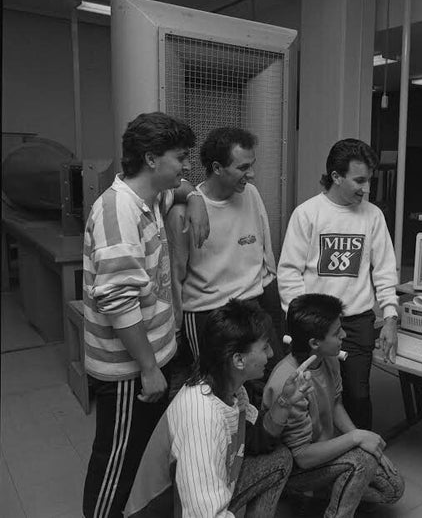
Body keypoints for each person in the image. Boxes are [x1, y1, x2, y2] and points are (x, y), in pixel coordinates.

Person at [82, 112, 210, 517]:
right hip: (129, 370)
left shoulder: (151, 197)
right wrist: (149, 367)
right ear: (152, 158)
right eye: (181, 157)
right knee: (115, 462)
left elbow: (183, 188)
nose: (187, 165)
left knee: (138, 457)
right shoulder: (117, 212)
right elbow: (118, 302)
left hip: (153, 357)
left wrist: (197, 198)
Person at [124, 299, 310, 517]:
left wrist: (285, 402)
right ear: (239, 360)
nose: (270, 354)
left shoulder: (231, 390)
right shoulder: (202, 416)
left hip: (190, 500)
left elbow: (256, 440)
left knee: (279, 459)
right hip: (165, 511)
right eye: (264, 347)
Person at [277, 138, 399, 429]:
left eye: (368, 180)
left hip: (357, 322)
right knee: (312, 393)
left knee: (357, 395)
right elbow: (289, 272)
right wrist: (301, 321)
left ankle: (362, 454)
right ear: (336, 176)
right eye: (359, 180)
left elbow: (384, 269)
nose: (366, 188)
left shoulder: (373, 216)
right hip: (314, 325)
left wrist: (391, 316)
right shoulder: (307, 214)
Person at [263, 293, 405, 517]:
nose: (344, 335)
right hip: (296, 468)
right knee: (363, 461)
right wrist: (356, 438)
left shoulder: (327, 357)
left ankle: (320, 494)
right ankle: (313, 499)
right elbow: (302, 456)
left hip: (322, 454)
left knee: (393, 488)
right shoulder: (288, 383)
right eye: (337, 332)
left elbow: (336, 404)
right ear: (314, 343)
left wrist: (362, 438)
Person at [166, 127, 281, 393]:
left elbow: (266, 250)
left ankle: (256, 434)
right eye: (243, 167)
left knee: (266, 381)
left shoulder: (251, 194)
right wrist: (177, 327)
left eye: (252, 166)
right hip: (209, 310)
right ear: (217, 168)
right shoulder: (183, 212)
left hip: (253, 301)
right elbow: (176, 275)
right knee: (221, 389)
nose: (250, 174)